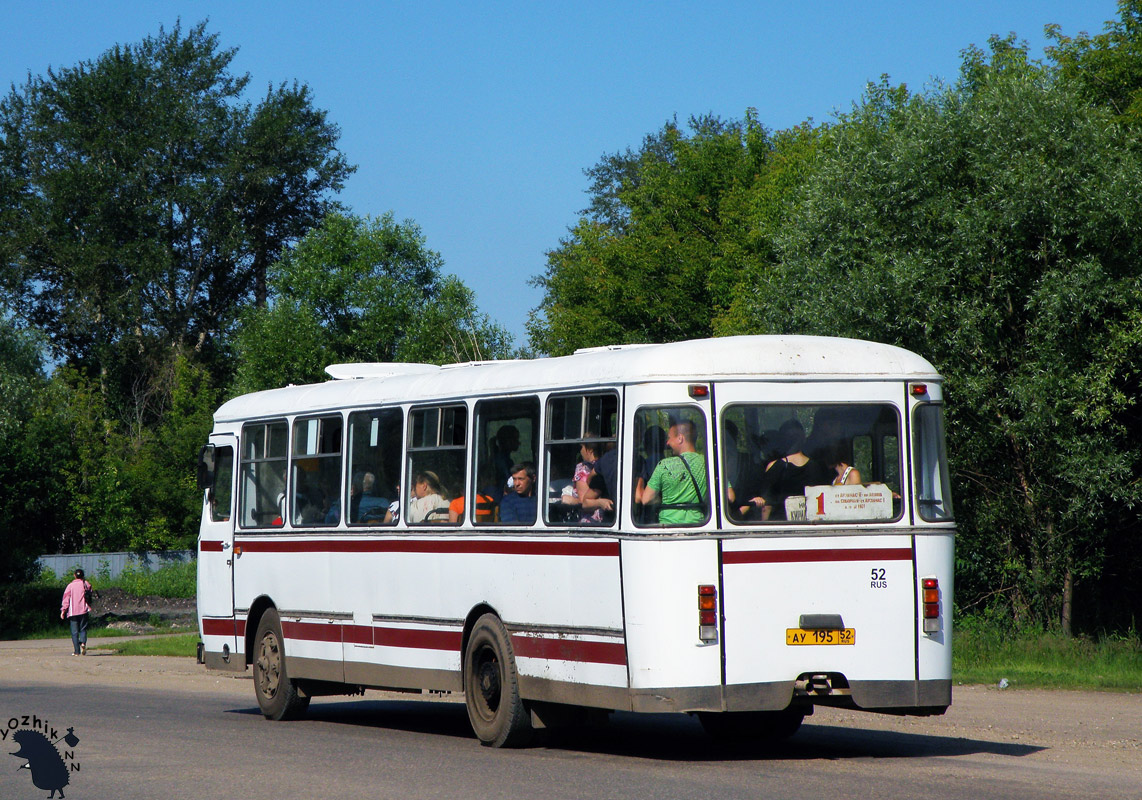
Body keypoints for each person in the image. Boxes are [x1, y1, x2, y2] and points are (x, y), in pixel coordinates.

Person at [739, 419, 831, 520]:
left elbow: (767, 505)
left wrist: (764, 526)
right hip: (811, 524)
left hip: (781, 526)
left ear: (783, 440)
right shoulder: (817, 467)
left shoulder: (775, 466)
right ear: (803, 438)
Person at [640, 420, 708, 525]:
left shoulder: (664, 465)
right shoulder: (708, 464)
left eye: (669, 438)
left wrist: (661, 500)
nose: (667, 443)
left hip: (667, 528)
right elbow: (730, 496)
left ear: (680, 438)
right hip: (698, 525)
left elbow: (646, 499)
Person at [60, 569, 93, 656]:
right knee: (83, 629)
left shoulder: (70, 586)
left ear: (75, 575)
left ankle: (77, 651)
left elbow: (66, 599)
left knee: (74, 632)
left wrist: (63, 610)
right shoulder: (86, 584)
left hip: (73, 612)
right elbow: (90, 592)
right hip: (84, 610)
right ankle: (83, 643)